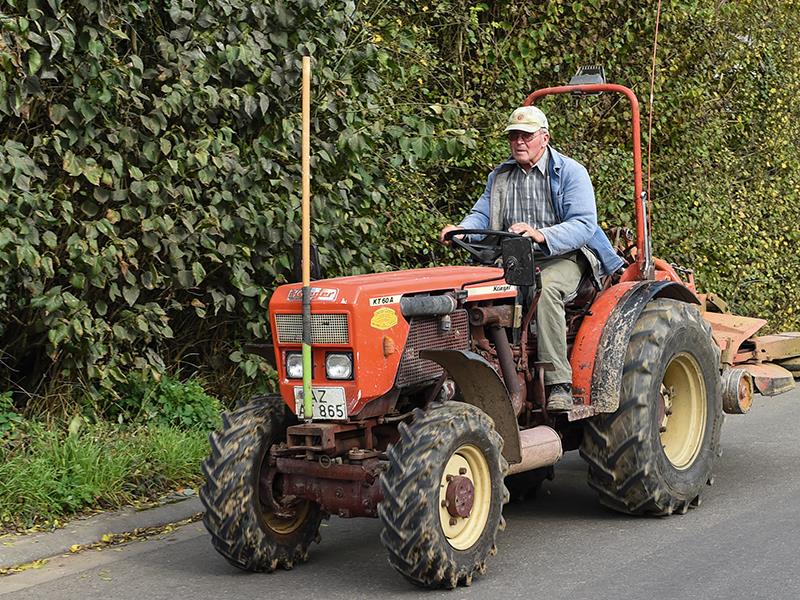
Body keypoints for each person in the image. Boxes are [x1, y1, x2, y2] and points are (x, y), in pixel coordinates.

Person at [439, 106, 624, 412]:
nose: (519, 142)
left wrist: (541, 235)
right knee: (467, 291)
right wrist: (460, 230)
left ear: (545, 137)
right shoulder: (500, 177)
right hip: (512, 258)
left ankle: (558, 382)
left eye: (526, 135)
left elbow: (583, 224)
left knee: (544, 288)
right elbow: (482, 214)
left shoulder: (570, 172)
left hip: (563, 256)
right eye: (513, 136)